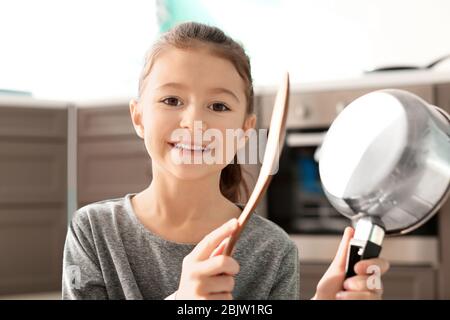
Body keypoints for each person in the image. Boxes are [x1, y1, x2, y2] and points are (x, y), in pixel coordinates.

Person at [62, 22, 389, 300]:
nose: (194, 122)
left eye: (218, 106)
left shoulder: (272, 251)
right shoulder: (94, 231)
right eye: (172, 100)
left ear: (245, 130)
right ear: (138, 117)